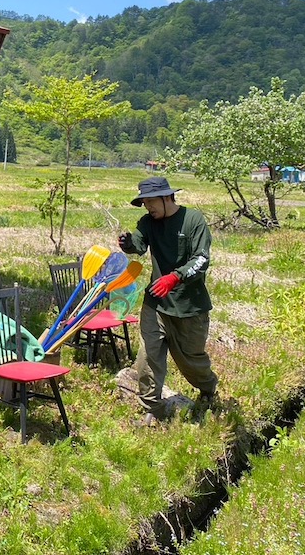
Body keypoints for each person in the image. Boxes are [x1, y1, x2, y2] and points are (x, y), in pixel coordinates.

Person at [117, 177, 218, 425]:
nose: (148, 206)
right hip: (156, 303)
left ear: (167, 197)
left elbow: (201, 260)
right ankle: (153, 410)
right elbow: (139, 246)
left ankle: (208, 391)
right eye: (144, 202)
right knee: (148, 358)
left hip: (189, 305)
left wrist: (175, 277)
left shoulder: (193, 220)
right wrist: (128, 244)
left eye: (151, 201)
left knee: (190, 360)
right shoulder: (148, 223)